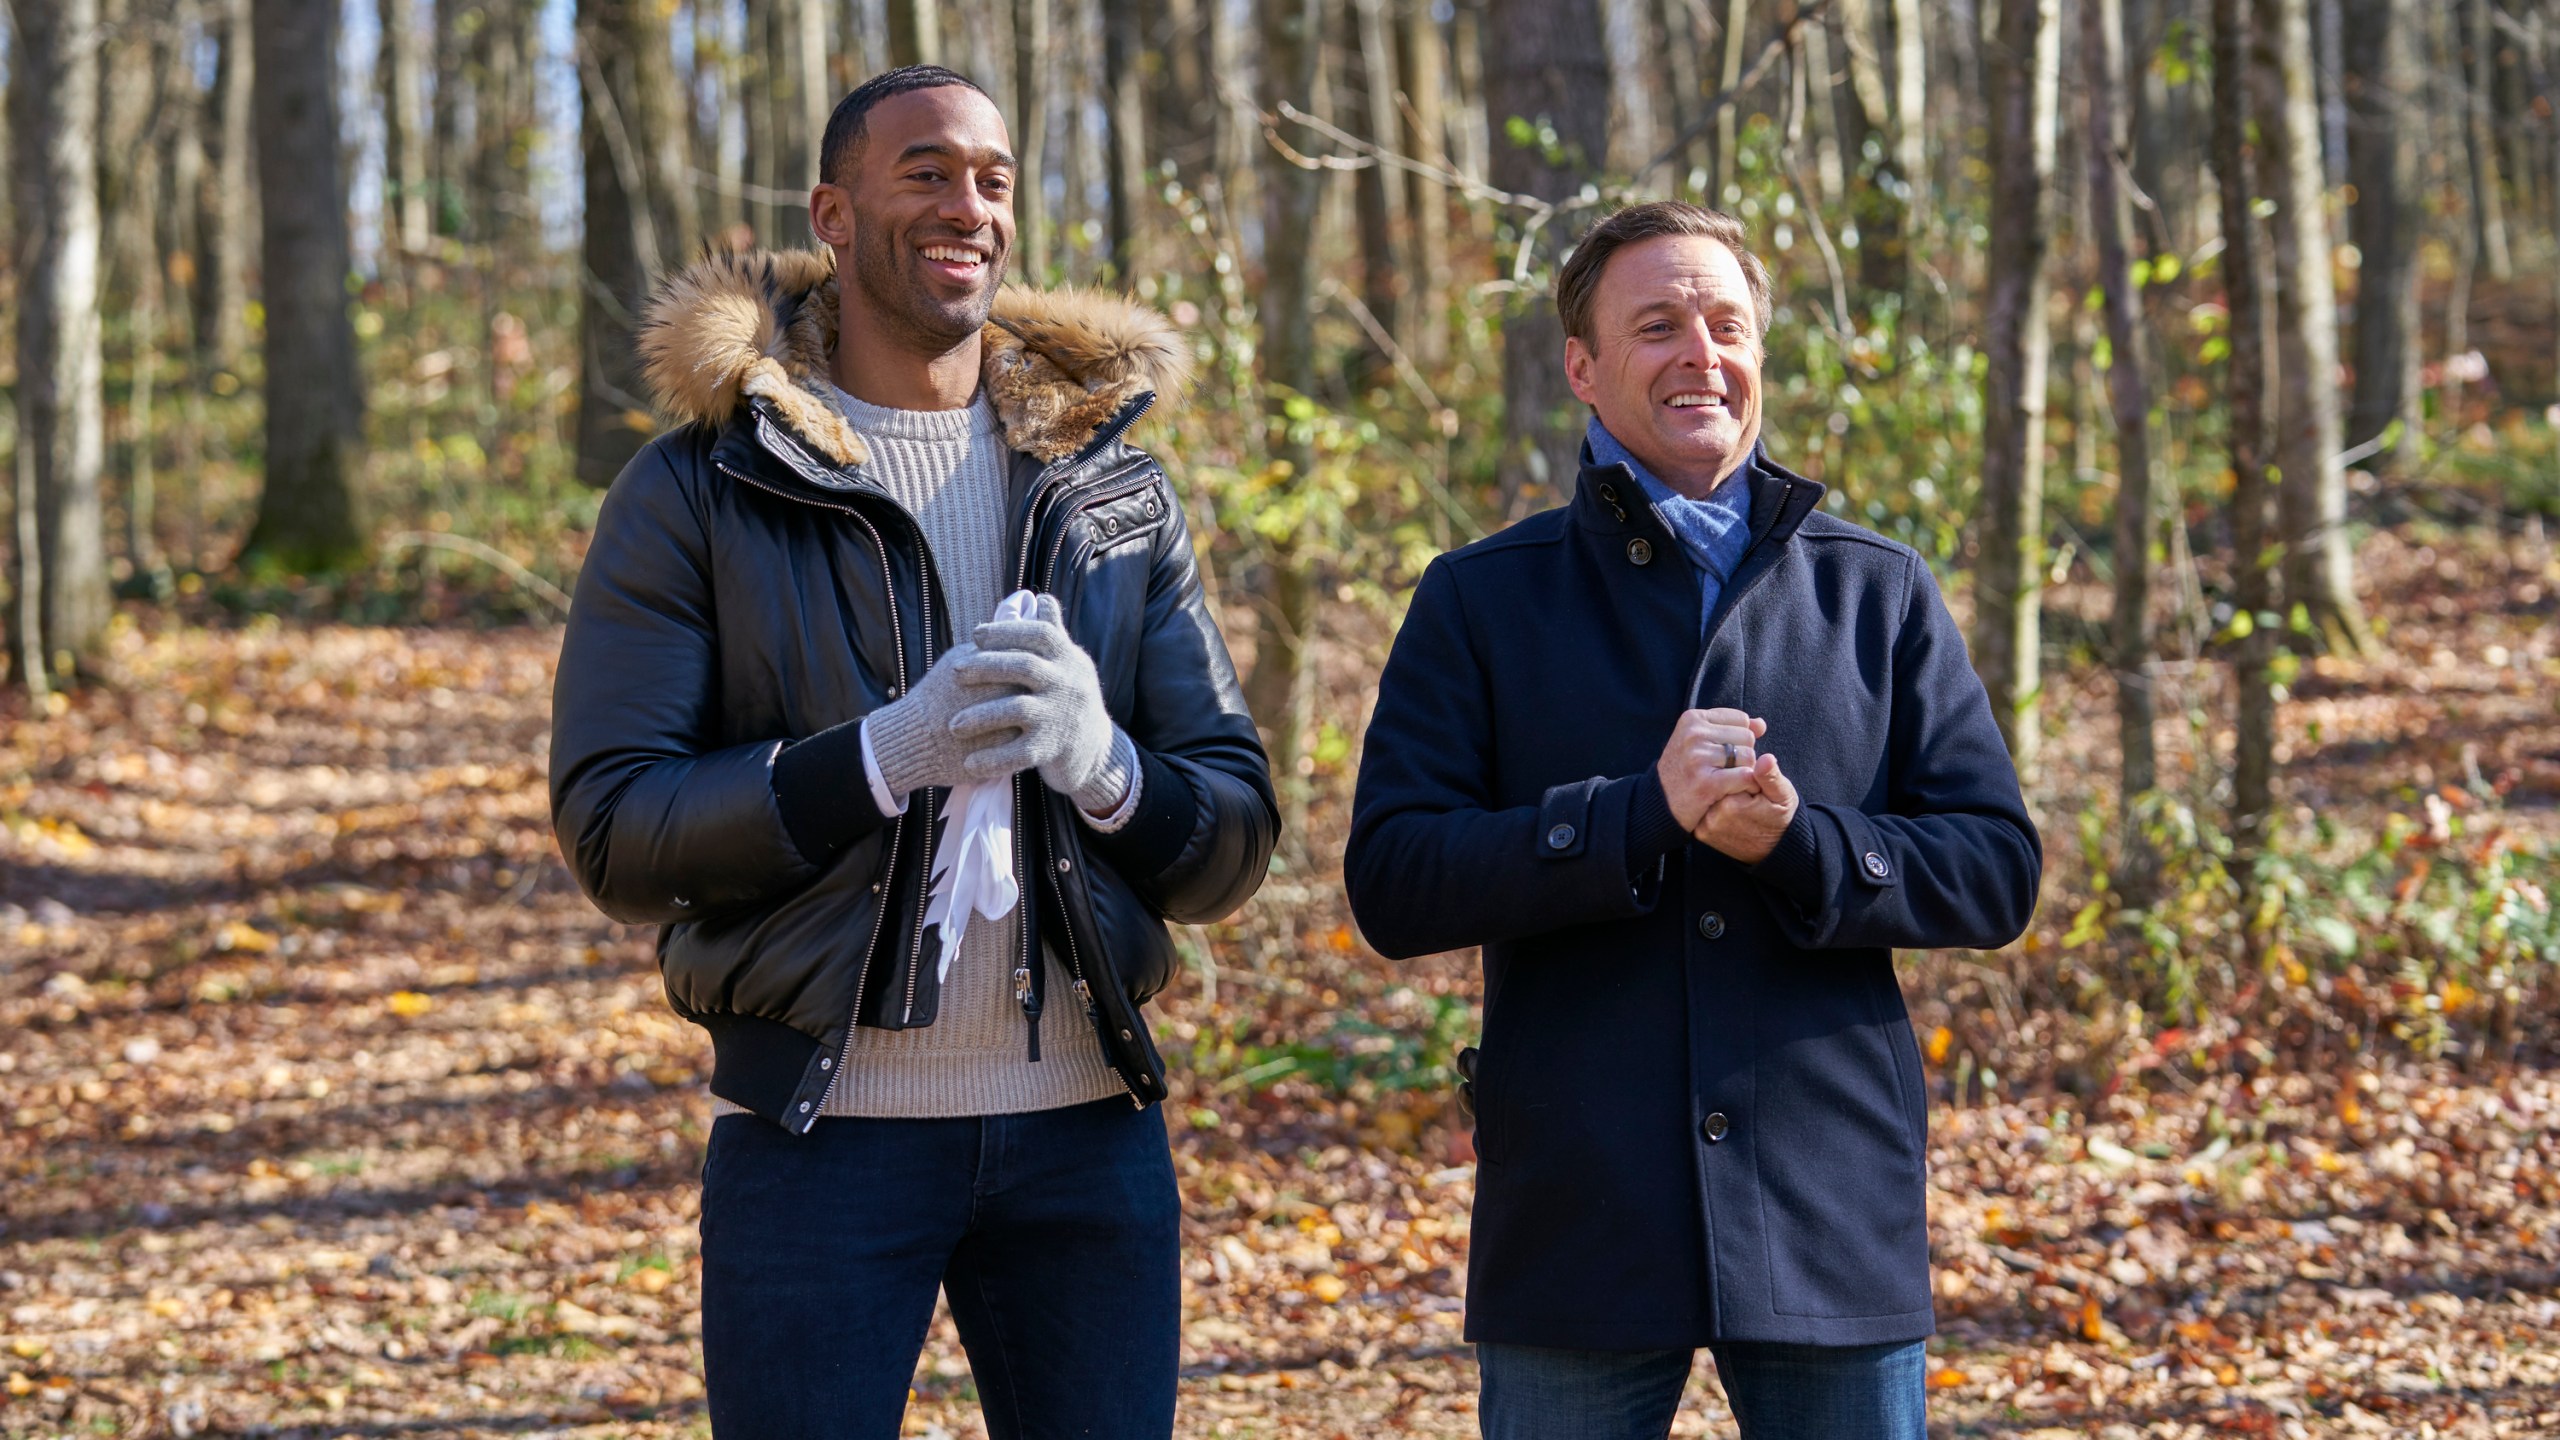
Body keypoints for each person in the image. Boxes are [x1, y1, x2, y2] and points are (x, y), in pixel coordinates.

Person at [548, 65, 1278, 1439]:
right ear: (834, 210)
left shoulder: (1112, 489)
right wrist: (879, 756)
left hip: (1088, 1137)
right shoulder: (700, 488)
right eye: (928, 172)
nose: (970, 207)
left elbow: (1231, 830)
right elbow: (615, 829)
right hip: (817, 1145)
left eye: (995, 179)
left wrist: (1104, 765)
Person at [1344, 200, 2041, 1440]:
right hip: (1577, 1211)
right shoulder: (1479, 599)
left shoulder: (1876, 589)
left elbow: (1994, 869)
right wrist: (1627, 822)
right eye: (1655, 325)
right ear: (1582, 367)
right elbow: (1395, 881)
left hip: (1830, 1203)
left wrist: (1806, 847)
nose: (1698, 354)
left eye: (1725, 324)